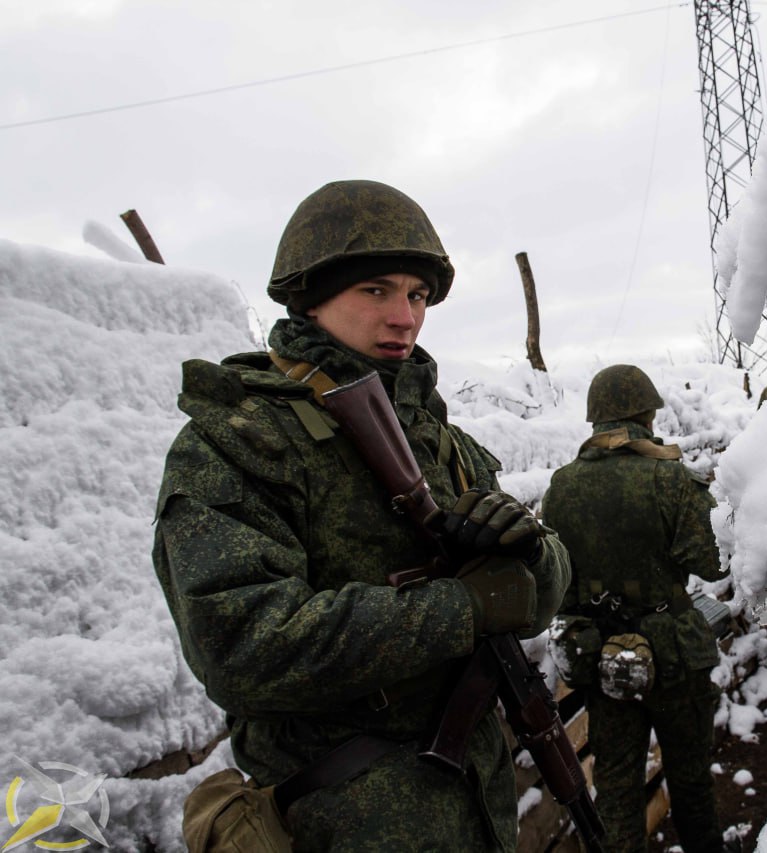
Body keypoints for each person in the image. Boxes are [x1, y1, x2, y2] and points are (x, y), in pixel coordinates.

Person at [152, 179, 570, 851]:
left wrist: (531, 554)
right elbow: (239, 644)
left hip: (478, 812)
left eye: (418, 294)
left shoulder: (441, 440)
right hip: (347, 824)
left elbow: (541, 590)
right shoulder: (239, 439)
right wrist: (460, 608)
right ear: (311, 298)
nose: (404, 316)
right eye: (376, 290)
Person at [541, 364, 730, 853]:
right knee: (690, 782)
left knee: (618, 793)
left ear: (595, 418)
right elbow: (711, 564)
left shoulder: (560, 487)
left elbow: (558, 585)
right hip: (675, 658)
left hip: (606, 661)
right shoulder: (670, 478)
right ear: (646, 414)